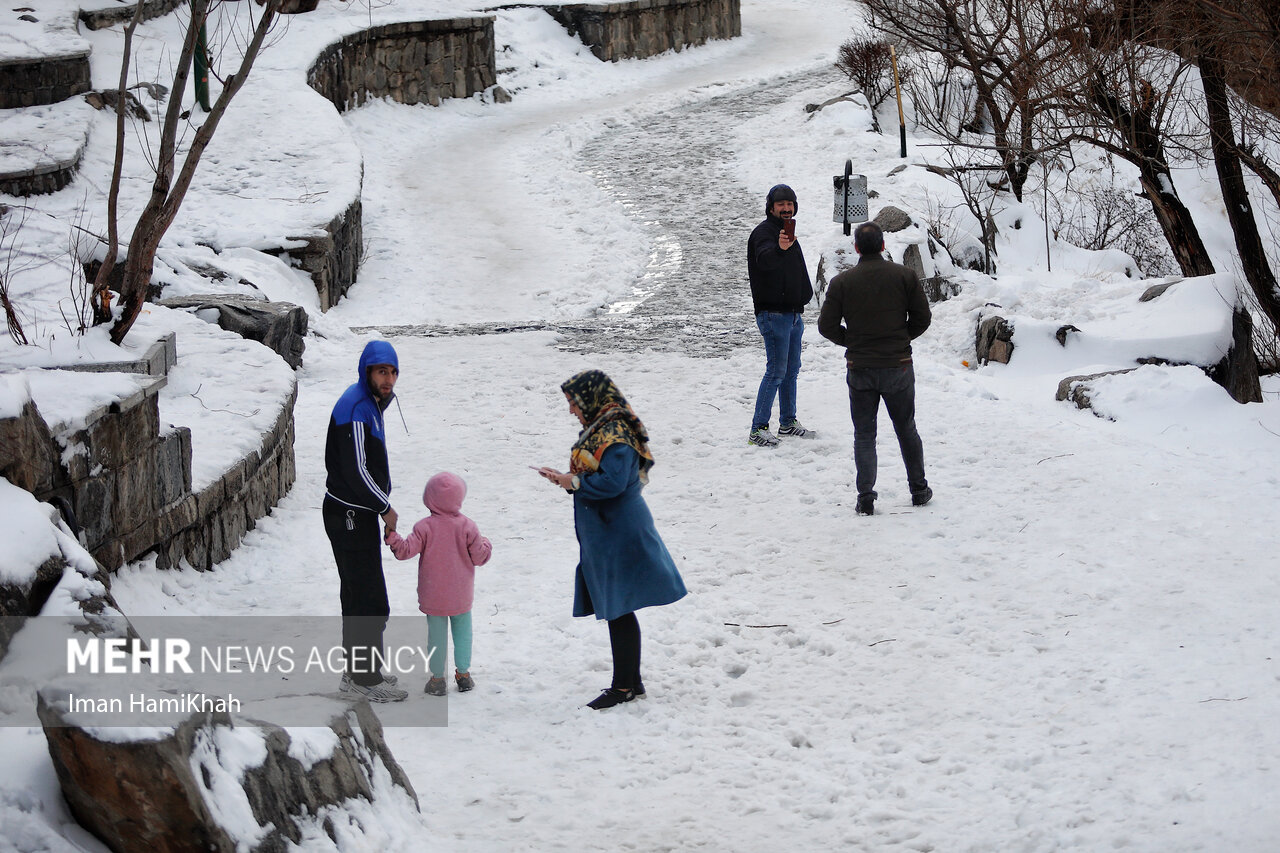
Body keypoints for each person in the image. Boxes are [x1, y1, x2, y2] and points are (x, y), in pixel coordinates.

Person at [535, 370, 687, 710]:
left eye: (573, 402)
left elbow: (613, 483)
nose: (572, 410)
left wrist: (571, 482)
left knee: (618, 607)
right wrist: (566, 479)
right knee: (618, 606)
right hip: (607, 530)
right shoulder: (602, 429)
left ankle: (623, 688)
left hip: (620, 530)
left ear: (592, 398)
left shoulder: (616, 435)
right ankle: (630, 683)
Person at [817, 221, 933, 516]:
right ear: (883, 245)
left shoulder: (842, 283)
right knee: (907, 428)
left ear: (856, 248)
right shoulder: (904, 276)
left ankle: (865, 496)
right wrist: (901, 338)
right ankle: (919, 489)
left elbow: (826, 326)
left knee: (864, 435)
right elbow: (923, 318)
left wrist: (852, 342)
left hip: (861, 367)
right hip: (898, 365)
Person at [322, 340, 409, 702]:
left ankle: (359, 671)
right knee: (368, 599)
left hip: (357, 513)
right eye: (381, 372)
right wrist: (384, 506)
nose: (387, 380)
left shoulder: (370, 402)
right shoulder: (357, 407)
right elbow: (356, 470)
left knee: (360, 594)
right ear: (366, 372)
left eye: (391, 372)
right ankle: (363, 679)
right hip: (349, 514)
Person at [385, 472, 493, 696]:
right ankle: (463, 675)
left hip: (433, 594)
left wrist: (392, 537)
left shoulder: (424, 527)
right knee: (463, 633)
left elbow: (405, 551)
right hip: (460, 595)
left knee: (436, 637)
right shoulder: (468, 527)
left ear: (429, 498)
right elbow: (479, 557)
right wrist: (486, 543)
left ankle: (437, 679)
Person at [747, 183, 816, 447]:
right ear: (771, 207)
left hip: (793, 314)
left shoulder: (786, 233)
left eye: (790, 204)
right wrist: (779, 248)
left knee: (790, 370)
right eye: (781, 205)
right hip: (774, 314)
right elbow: (765, 260)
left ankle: (787, 422)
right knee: (776, 370)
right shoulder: (765, 234)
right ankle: (758, 429)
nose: (786, 209)